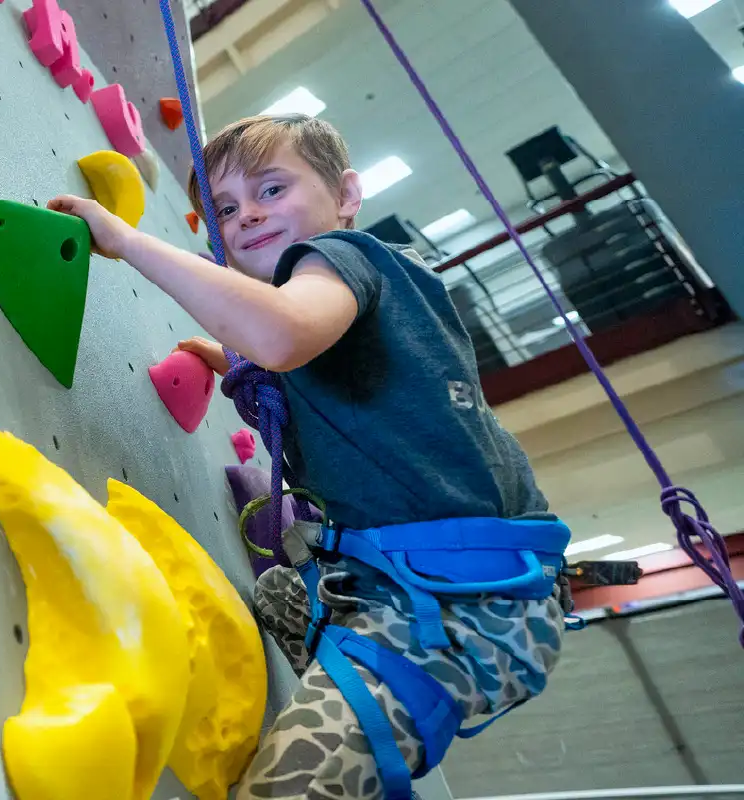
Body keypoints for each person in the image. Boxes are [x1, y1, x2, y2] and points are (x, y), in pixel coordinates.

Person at [49, 113, 571, 800]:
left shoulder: (347, 258)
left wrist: (126, 241)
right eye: (226, 209)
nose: (245, 218)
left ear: (346, 194)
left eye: (270, 190)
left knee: (280, 792)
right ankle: (352, 723)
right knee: (278, 594)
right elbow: (305, 367)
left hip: (464, 610)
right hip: (420, 591)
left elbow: (282, 330)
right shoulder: (337, 318)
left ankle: (345, 736)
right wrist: (237, 363)